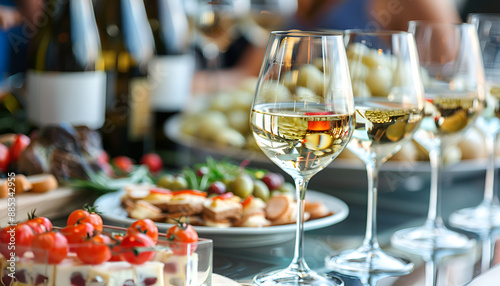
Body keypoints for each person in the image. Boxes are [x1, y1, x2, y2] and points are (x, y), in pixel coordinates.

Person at [192, 0, 462, 91]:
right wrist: (171, 85)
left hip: (380, 151)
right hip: (307, 148)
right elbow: (248, 77)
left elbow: (454, 77)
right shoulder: (294, 8)